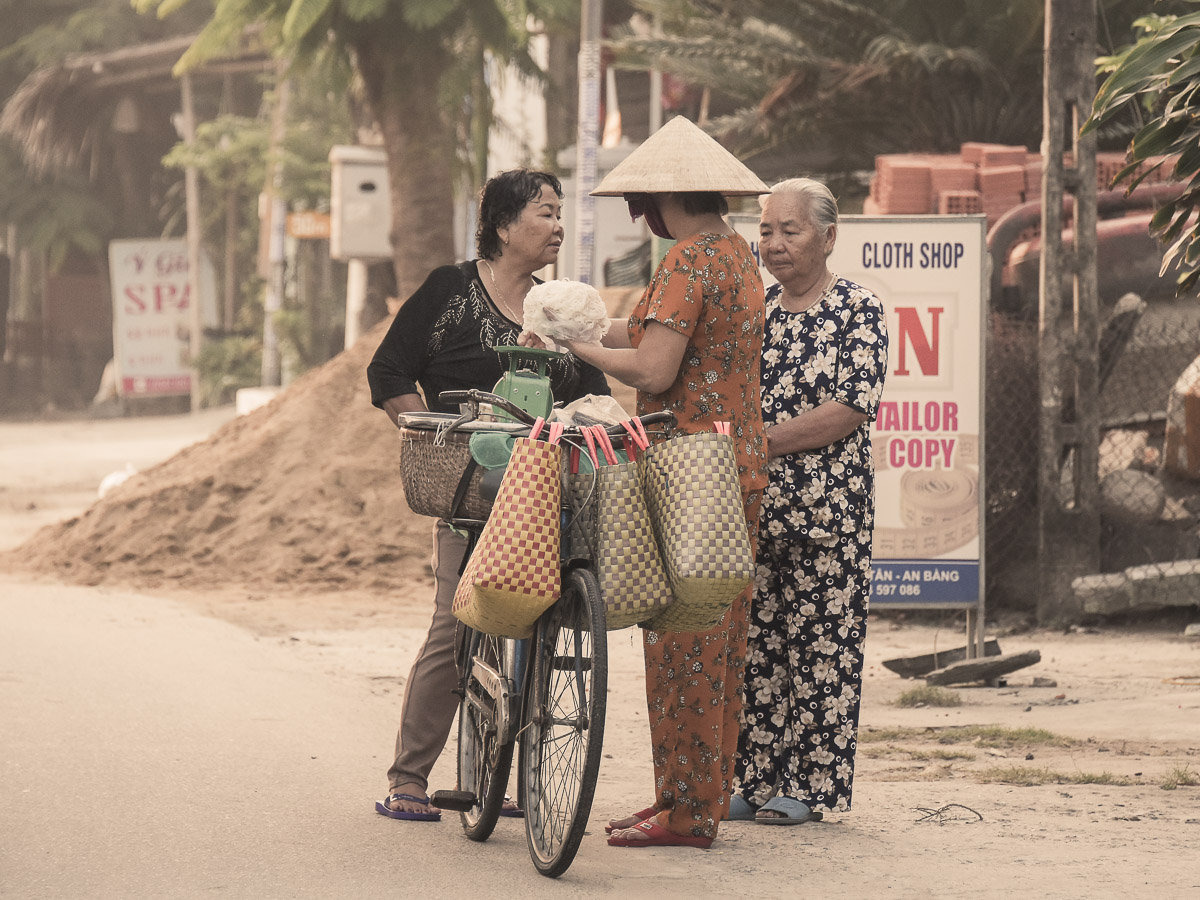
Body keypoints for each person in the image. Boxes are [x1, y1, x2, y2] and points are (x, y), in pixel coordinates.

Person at [522, 115, 770, 848]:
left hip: (691, 472)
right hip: (737, 466)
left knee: (680, 642)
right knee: (720, 643)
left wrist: (574, 343)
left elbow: (656, 368)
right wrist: (593, 319)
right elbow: (659, 331)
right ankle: (695, 801)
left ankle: (685, 814)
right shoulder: (735, 255)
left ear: (664, 200)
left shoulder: (690, 259)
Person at [366, 168, 610, 821]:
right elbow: (388, 370)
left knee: (534, 618)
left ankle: (509, 771)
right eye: (545, 213)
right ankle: (408, 779)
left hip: (538, 487)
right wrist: (428, 433)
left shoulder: (560, 306)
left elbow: (589, 387)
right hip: (466, 489)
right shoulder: (450, 292)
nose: (558, 225)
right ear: (504, 225)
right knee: (456, 620)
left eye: (561, 214)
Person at [728, 177, 888, 824]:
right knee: (758, 652)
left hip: (831, 516)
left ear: (828, 236)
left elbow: (849, 409)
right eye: (765, 230)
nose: (774, 243)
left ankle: (814, 788)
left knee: (823, 650)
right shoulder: (756, 311)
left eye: (789, 231)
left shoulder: (859, 309)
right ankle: (754, 781)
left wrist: (758, 443)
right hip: (758, 513)